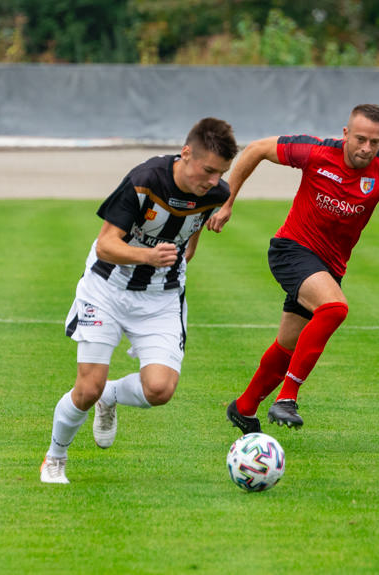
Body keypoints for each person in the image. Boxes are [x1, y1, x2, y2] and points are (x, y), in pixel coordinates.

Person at [208, 104, 379, 434]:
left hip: (328, 267)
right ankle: (287, 398)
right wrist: (227, 201)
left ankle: (244, 408)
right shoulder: (315, 151)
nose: (366, 148)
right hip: (291, 250)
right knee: (334, 308)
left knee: (288, 346)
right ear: (345, 134)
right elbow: (256, 149)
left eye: (375, 142)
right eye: (360, 139)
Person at [40, 118, 238, 484]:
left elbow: (189, 242)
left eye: (220, 173)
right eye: (208, 170)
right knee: (86, 388)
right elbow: (105, 244)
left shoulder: (215, 194)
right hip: (107, 289)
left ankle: (111, 396)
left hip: (161, 299)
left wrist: (169, 265)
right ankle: (55, 457)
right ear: (186, 153)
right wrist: (149, 257)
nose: (213, 180)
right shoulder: (144, 180)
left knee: (160, 390)